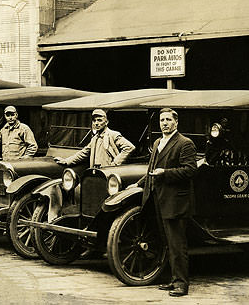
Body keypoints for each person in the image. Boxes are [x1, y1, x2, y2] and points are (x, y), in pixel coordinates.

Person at [136, 108, 197, 297]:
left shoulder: (185, 143)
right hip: (158, 199)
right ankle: (173, 279)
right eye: (162, 120)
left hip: (175, 202)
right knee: (168, 243)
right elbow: (151, 168)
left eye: (168, 120)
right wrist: (137, 184)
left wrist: (166, 173)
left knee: (178, 245)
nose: (164, 123)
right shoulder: (157, 142)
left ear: (176, 123)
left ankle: (181, 284)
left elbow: (190, 170)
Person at [54, 108, 135, 167]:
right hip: (96, 173)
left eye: (99, 120)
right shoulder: (94, 138)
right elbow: (83, 153)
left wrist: (115, 164)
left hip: (109, 174)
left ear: (106, 122)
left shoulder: (113, 134)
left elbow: (129, 147)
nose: (96, 123)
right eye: (94, 121)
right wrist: (66, 161)